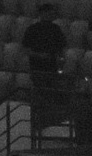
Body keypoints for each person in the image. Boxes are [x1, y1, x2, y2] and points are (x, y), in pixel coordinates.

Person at [22, 4, 69, 135]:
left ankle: (48, 124)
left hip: (52, 69)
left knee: (51, 96)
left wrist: (61, 61)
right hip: (37, 68)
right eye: (48, 13)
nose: (51, 15)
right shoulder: (33, 29)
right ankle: (39, 124)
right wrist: (39, 55)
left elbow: (61, 49)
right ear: (42, 13)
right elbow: (25, 49)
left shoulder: (56, 29)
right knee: (40, 96)